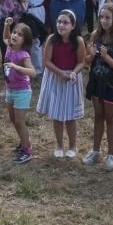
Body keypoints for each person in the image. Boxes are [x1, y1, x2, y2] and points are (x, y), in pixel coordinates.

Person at [82, 3, 113, 171]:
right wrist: (87, 53)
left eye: (107, 17)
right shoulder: (95, 35)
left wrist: (106, 57)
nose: (104, 20)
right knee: (98, 116)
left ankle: (111, 154)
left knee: (110, 118)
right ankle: (95, 150)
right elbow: (87, 61)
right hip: (96, 81)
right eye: (101, 17)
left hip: (111, 83)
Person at [37, 9, 86, 158]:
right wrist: (60, 73)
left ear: (72, 25)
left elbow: (81, 62)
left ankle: (72, 145)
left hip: (71, 79)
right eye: (59, 21)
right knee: (57, 115)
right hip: (55, 77)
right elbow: (46, 61)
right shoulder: (52, 39)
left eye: (65, 22)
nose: (61, 25)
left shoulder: (78, 41)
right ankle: (59, 145)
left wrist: (72, 73)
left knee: (70, 117)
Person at [1, 18, 37, 164]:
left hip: (22, 92)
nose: (15, 35)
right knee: (14, 120)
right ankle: (23, 142)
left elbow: (33, 72)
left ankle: (27, 150)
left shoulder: (23, 55)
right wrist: (6, 26)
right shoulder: (9, 47)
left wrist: (16, 67)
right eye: (14, 32)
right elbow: (5, 37)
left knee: (19, 122)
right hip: (10, 90)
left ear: (25, 40)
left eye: (19, 34)